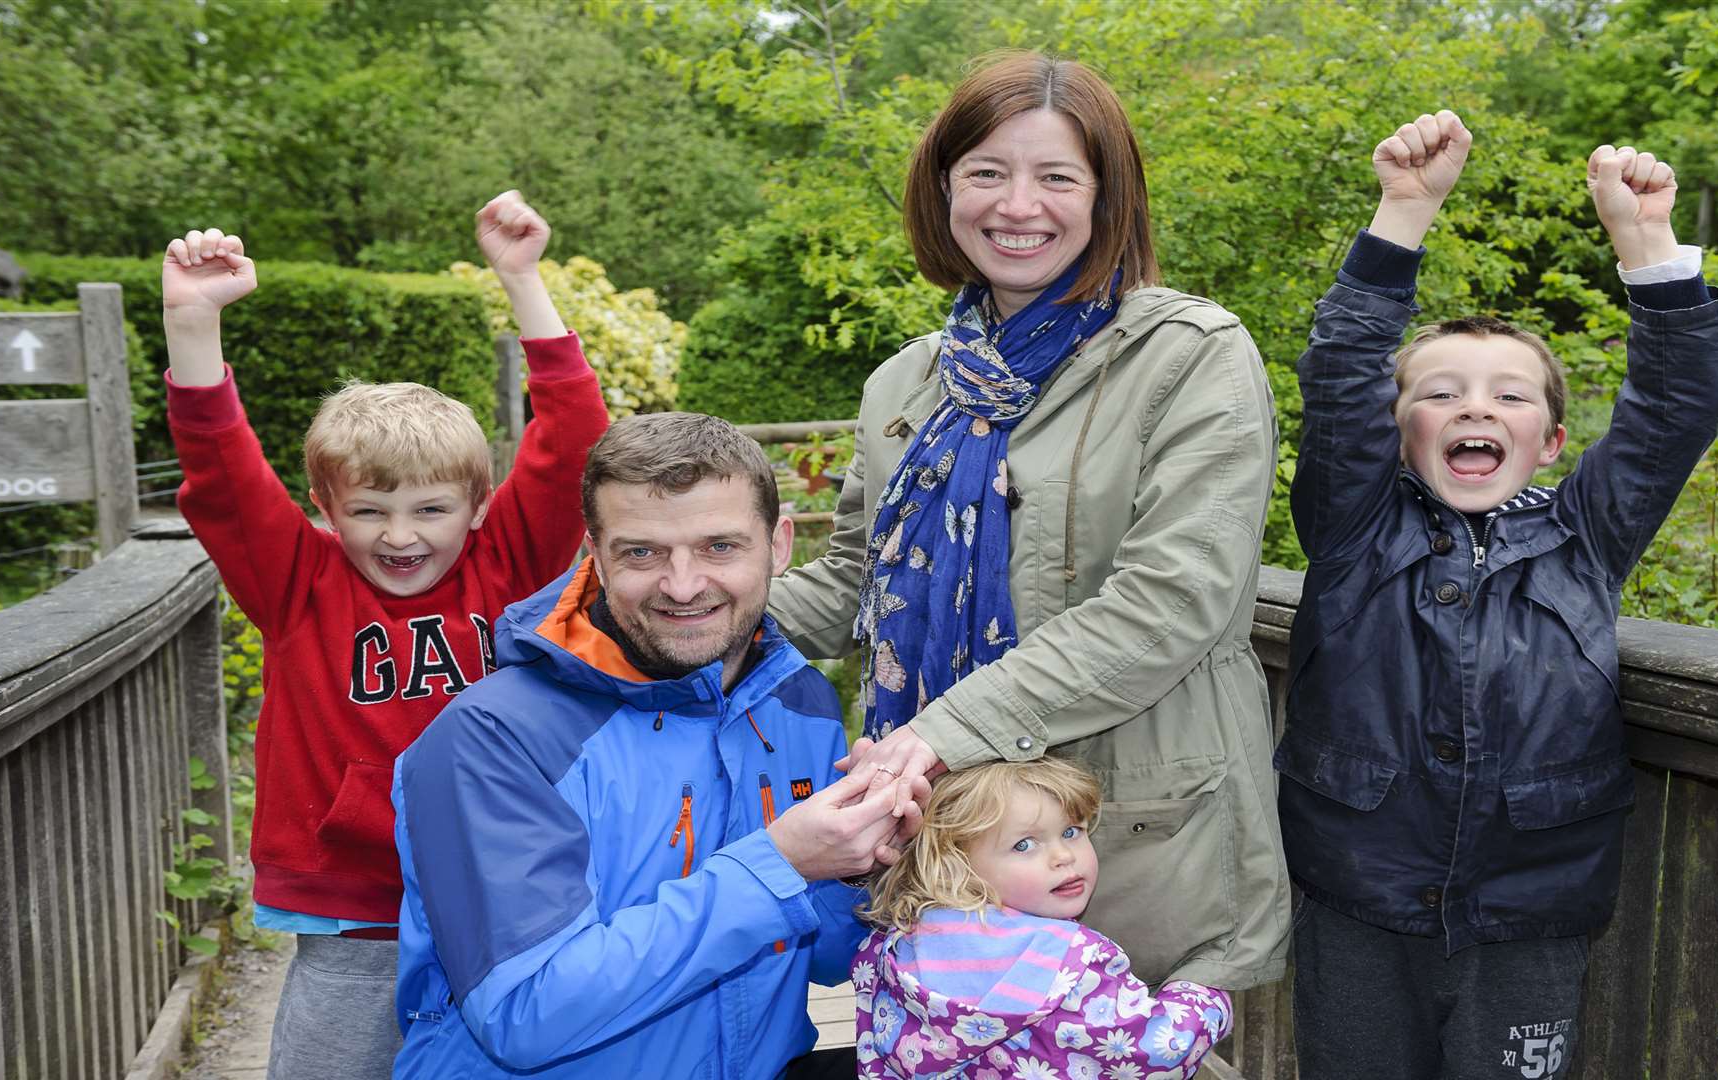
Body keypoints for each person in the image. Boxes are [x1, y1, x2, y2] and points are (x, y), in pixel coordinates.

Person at [769, 49, 1289, 994]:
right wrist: (656, 614)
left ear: (1107, 197)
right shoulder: (908, 383)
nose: (1018, 206)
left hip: (1116, 842)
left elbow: (1174, 603)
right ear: (943, 188)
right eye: (987, 173)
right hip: (939, 845)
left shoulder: (1189, 356)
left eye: (1056, 176)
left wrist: (942, 730)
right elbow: (853, 583)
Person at [1277, 111, 1718, 1079]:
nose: (1476, 407)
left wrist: (1647, 245)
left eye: (1510, 396)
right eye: (1440, 393)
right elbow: (1344, 373)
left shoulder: (1587, 534)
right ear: (1399, 433)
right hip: (1360, 909)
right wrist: (1405, 210)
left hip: (1531, 918)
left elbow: (1680, 404)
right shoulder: (1353, 526)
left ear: (1552, 444)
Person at [160, 193, 608, 1079]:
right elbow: (220, 470)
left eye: (431, 510)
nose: (401, 537)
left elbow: (576, 438)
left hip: (502, 896)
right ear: (324, 512)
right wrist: (191, 323)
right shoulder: (296, 583)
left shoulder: (511, 562)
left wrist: (521, 279)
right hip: (353, 912)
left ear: (479, 506)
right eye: (369, 511)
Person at [391, 412, 920, 1078]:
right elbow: (525, 1013)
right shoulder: (492, 739)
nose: (682, 584)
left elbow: (827, 955)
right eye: (641, 552)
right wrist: (781, 862)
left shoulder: (798, 702)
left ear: (779, 545)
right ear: (596, 554)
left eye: (719, 546)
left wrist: (864, 857)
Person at [853, 757, 1233, 1078]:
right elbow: (1158, 1050)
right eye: (1024, 844)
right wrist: (1205, 994)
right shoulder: (1074, 962)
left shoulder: (890, 949)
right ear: (957, 865)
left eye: (1071, 831)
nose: (1063, 856)